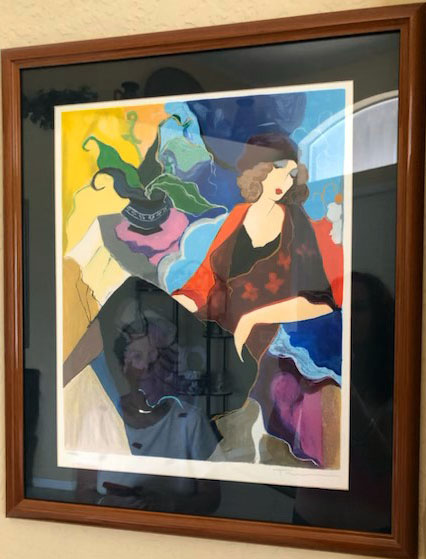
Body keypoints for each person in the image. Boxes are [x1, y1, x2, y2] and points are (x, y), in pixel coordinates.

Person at [172, 132, 342, 468]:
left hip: (259, 345)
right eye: (277, 169)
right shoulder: (237, 216)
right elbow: (204, 282)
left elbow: (321, 301)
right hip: (214, 337)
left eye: (290, 173)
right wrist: (174, 311)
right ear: (256, 170)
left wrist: (254, 318)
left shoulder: (296, 223)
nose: (283, 180)